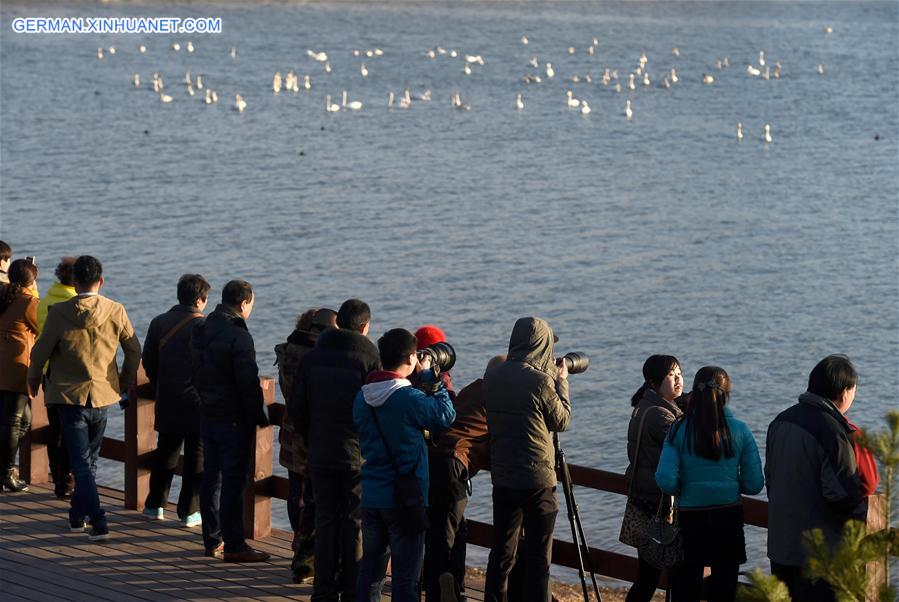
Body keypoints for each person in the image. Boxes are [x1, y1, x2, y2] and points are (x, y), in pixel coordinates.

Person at [27, 256, 141, 540]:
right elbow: (134, 351)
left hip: (68, 397)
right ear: (101, 281)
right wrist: (123, 382)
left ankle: (95, 519)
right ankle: (79, 516)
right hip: (102, 396)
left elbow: (39, 352)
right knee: (88, 462)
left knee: (81, 462)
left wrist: (32, 381)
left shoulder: (59, 312)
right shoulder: (116, 310)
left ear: (75, 283)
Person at [353, 328, 456, 602]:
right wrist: (428, 376)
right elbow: (445, 415)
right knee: (405, 580)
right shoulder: (409, 399)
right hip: (406, 499)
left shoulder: (361, 398)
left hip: (373, 494)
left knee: (370, 574)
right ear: (412, 358)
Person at [288, 298, 381, 602]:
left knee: (325, 520)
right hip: (356, 454)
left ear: (339, 322)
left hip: (320, 451)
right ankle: (353, 590)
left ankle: (323, 590)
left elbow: (297, 408)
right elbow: (377, 408)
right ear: (365, 326)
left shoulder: (314, 357)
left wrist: (311, 437)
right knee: (354, 522)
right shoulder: (369, 357)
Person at [655, 366, 764, 602]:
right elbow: (755, 484)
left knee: (687, 586)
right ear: (726, 394)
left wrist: (683, 489)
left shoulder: (678, 429)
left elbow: (665, 479)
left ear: (694, 392)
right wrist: (732, 485)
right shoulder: (741, 430)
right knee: (725, 588)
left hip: (692, 517)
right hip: (728, 516)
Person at [765, 354, 868, 602]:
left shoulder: (781, 421)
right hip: (819, 553)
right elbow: (841, 494)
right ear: (844, 392)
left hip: (780, 546)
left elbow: (770, 478)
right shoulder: (832, 431)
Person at [483, 317, 571, 602]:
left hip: (504, 476)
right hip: (537, 481)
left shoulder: (493, 376)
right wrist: (562, 382)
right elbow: (562, 421)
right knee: (538, 558)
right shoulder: (541, 381)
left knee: (502, 552)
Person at [191, 279, 270, 562]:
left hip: (207, 411)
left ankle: (213, 539)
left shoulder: (202, 326)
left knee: (212, 477)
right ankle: (235, 544)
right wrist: (258, 416)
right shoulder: (239, 336)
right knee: (234, 482)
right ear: (243, 303)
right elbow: (247, 382)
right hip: (233, 417)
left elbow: (194, 368)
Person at [424, 354, 503, 602]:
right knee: (446, 533)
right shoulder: (498, 397)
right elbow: (500, 437)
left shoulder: (474, 388)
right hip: (453, 463)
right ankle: (440, 591)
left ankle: (452, 586)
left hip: (434, 458)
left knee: (453, 529)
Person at [141, 274, 211, 527]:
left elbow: (148, 360)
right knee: (197, 455)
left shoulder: (159, 322)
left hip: (168, 396)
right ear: (201, 299)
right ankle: (189, 512)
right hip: (197, 401)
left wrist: (160, 383)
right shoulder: (205, 326)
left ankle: (154, 505)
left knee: (166, 452)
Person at [274, 306, 338, 582]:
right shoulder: (320, 357)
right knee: (316, 497)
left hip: (291, 429)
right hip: (315, 433)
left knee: (295, 490)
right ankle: (310, 554)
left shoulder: (288, 351)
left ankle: (298, 545)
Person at [622, 354, 684, 602]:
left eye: (680, 373)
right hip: (658, 504)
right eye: (671, 375)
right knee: (659, 575)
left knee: (647, 575)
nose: (678, 379)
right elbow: (684, 449)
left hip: (644, 499)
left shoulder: (645, 407)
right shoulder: (661, 415)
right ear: (653, 382)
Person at [36, 257, 78, 498]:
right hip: (74, 375)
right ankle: (74, 477)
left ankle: (60, 480)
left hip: (50, 374)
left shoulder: (47, 300)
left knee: (56, 429)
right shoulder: (76, 304)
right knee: (75, 429)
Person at [0, 259, 39, 492]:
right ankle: (6, 474)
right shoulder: (28, 301)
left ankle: (3, 470)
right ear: (31, 280)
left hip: (2, 363)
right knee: (16, 420)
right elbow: (41, 327)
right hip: (18, 365)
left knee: (16, 421)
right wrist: (35, 293)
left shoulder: (3, 293)